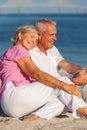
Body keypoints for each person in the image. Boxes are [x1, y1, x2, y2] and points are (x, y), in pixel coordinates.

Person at [0, 25, 87, 122]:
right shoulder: (18, 50)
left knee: (65, 100)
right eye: (31, 36)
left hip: (17, 105)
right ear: (20, 35)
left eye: (36, 40)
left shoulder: (16, 52)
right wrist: (67, 85)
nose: (34, 41)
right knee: (64, 83)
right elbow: (37, 74)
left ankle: (36, 116)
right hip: (13, 97)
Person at [29, 18, 87, 103]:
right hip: (53, 91)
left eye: (55, 35)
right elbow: (43, 84)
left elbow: (67, 66)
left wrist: (83, 71)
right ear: (39, 35)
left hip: (63, 85)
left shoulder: (52, 49)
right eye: (51, 35)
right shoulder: (30, 54)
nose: (55, 38)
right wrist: (75, 81)